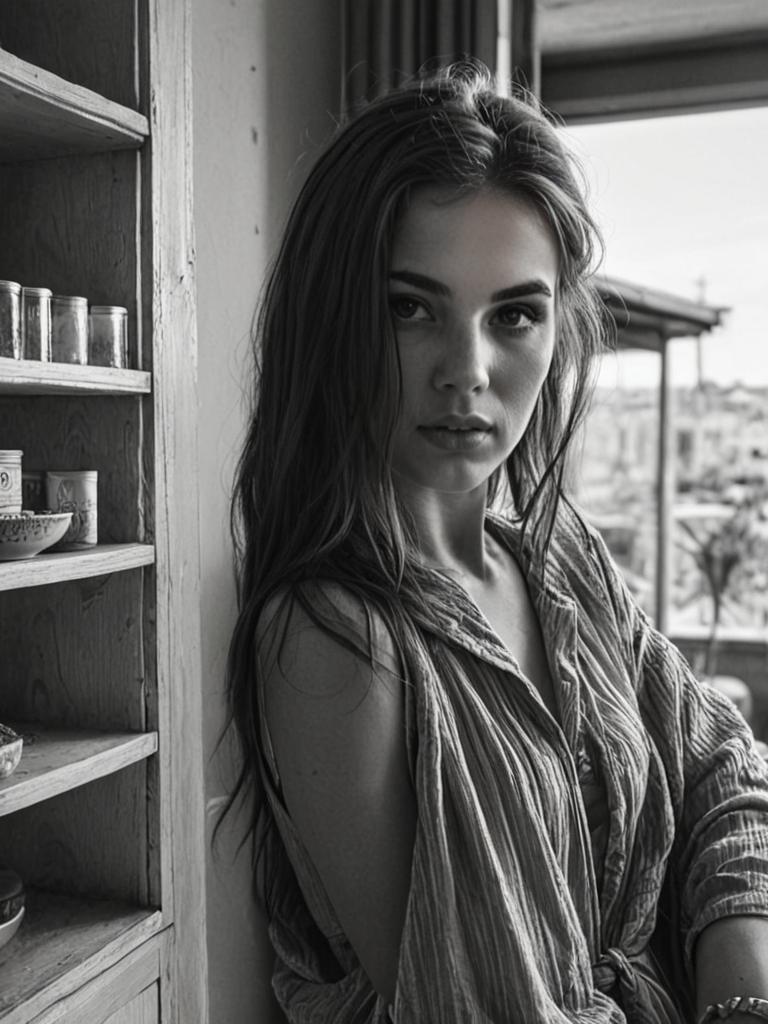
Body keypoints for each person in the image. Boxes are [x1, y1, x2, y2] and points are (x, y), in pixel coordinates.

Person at [223, 62, 768, 1023]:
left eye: (513, 313)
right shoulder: (337, 642)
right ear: (333, 316)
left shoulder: (562, 562)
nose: (466, 372)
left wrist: (738, 986)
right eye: (409, 306)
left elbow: (719, 763)